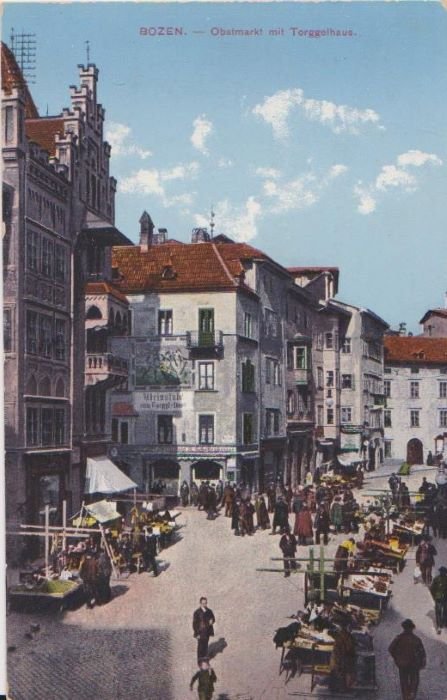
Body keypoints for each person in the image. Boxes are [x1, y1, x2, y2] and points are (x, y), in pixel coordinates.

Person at [388, 619, 426, 700]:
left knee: (404, 681)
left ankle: (406, 696)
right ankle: (411, 695)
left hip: (402, 664)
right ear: (412, 628)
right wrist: (422, 663)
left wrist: (397, 658)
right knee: (414, 682)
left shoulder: (399, 638)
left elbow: (391, 649)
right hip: (414, 665)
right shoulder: (416, 639)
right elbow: (422, 653)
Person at [329, 620, 357, 692]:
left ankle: (336, 687)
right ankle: (341, 688)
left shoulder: (343, 634)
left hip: (338, 657)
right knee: (340, 671)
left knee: (338, 671)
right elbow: (348, 647)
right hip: (340, 657)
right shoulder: (344, 634)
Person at [193, 597, 215, 663]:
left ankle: (205, 659)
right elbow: (194, 624)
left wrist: (212, 621)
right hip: (200, 632)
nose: (204, 605)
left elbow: (213, 618)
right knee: (200, 646)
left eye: (205, 603)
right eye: (203, 603)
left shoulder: (209, 611)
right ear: (200, 603)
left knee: (205, 645)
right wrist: (196, 633)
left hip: (207, 631)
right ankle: (199, 660)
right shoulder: (197, 612)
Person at [430, 566, 447, 633]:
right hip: (440, 598)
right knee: (439, 612)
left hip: (443, 598)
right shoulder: (436, 579)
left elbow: (432, 589)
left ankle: (442, 624)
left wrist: (435, 596)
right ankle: (440, 626)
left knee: (442, 612)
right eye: (442, 572)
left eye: (444, 572)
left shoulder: (437, 579)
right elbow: (432, 589)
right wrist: (435, 596)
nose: (443, 573)